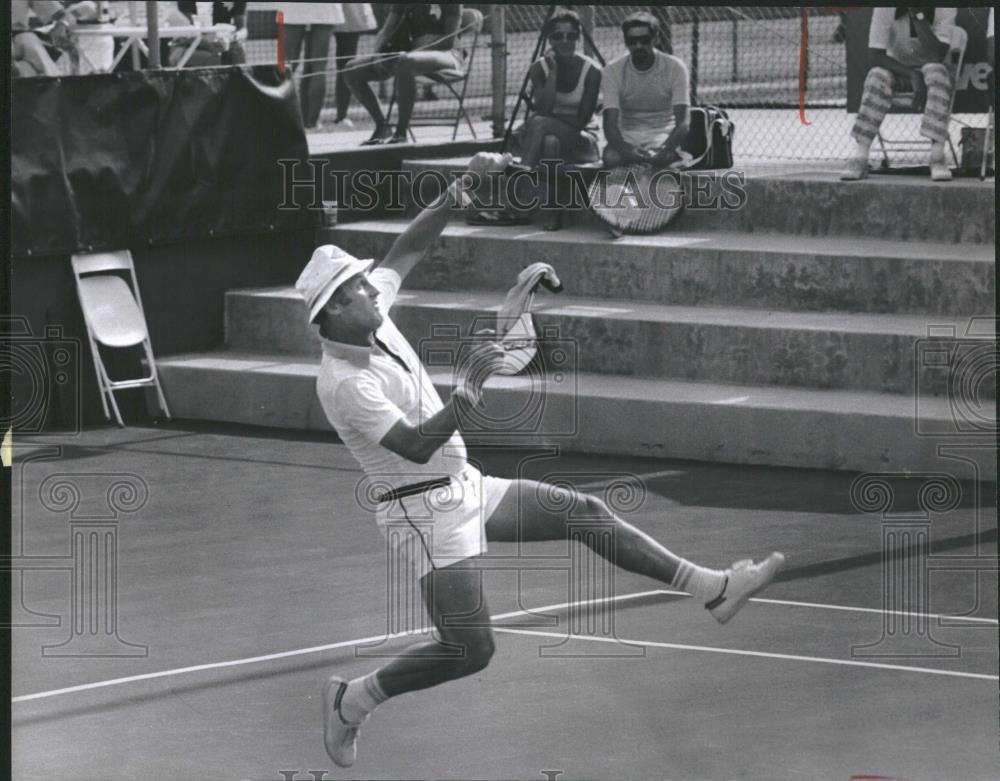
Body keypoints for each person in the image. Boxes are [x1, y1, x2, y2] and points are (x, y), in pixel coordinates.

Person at [294, 151, 786, 769]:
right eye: (360, 287)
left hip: (464, 484)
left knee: (584, 511)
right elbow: (416, 445)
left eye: (367, 283)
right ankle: (352, 700)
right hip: (422, 513)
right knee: (471, 649)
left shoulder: (372, 317)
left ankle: (713, 588)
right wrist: (467, 393)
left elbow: (406, 250)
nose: (373, 287)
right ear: (335, 309)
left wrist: (462, 184)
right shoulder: (342, 382)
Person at [841, 7, 958, 182]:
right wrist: (911, 74)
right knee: (876, 76)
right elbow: (875, 56)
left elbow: (936, 55)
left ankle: (937, 157)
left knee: (938, 73)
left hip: (931, 65)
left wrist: (916, 14)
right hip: (897, 68)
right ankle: (861, 156)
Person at [343, 3, 464, 145]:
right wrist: (378, 54)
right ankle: (383, 126)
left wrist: (413, 53)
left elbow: (447, 42)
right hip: (408, 55)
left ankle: (401, 133)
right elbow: (387, 30)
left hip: (447, 56)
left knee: (406, 62)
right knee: (352, 69)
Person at [601, 11, 692, 169]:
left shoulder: (675, 67)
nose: (638, 46)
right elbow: (609, 123)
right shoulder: (612, 70)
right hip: (627, 134)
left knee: (665, 162)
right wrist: (625, 149)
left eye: (644, 40)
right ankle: (624, 190)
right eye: (632, 41)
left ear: (655, 39)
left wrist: (665, 149)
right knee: (611, 157)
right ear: (625, 42)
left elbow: (683, 122)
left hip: (661, 134)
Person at [11, 0, 97, 76]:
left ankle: (55, 83)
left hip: (17, 38)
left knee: (28, 40)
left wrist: (62, 24)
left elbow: (63, 16)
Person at [329, 2, 377, 130]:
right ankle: (307, 122)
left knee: (346, 65)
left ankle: (341, 117)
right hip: (316, 12)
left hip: (349, 12)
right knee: (314, 64)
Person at [174, 1, 248, 66]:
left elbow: (242, 29)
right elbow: (188, 30)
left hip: (224, 43)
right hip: (190, 44)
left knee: (237, 50)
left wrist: (233, 37)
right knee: (212, 57)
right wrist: (208, 42)